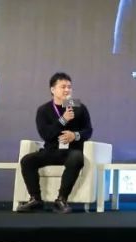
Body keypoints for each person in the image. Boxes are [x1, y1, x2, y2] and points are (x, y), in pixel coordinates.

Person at [17, 72, 94, 213]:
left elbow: (88, 131)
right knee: (27, 160)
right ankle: (35, 199)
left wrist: (75, 135)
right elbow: (46, 134)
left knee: (77, 157)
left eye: (69, 87)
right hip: (51, 151)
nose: (67, 90)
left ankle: (61, 200)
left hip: (71, 151)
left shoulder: (78, 107)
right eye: (63, 87)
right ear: (53, 90)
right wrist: (63, 120)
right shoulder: (44, 110)